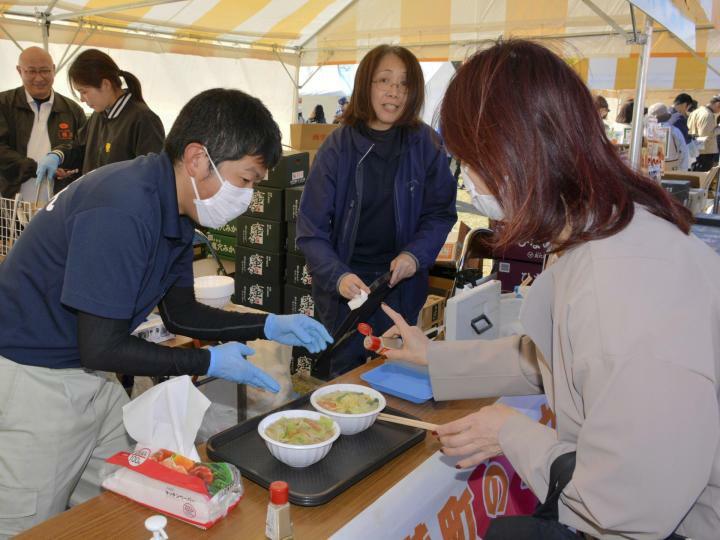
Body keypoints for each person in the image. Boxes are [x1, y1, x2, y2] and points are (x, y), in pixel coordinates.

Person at [381, 39, 720, 540]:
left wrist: (509, 433)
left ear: (514, 154)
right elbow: (553, 357)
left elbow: (625, 504)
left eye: (470, 161)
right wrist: (434, 357)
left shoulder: (621, 283)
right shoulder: (602, 229)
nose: (468, 180)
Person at [0, 88, 332, 538]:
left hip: (88, 374)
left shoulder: (175, 208)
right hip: (34, 378)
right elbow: (101, 346)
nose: (248, 197)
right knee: (30, 523)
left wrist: (268, 323)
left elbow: (180, 315)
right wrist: (206, 361)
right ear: (198, 158)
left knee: (125, 498)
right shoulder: (122, 208)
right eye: (246, 180)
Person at [296, 44, 457, 377]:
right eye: (384, 80)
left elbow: (440, 213)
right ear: (365, 85)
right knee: (339, 379)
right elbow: (311, 229)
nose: (394, 92)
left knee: (394, 378)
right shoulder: (338, 147)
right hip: (345, 291)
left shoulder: (426, 144)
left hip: (400, 288)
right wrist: (336, 276)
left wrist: (414, 256)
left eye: (404, 84)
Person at [35, 48, 165, 181]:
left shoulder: (143, 120)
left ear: (105, 84)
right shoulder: (99, 115)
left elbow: (151, 176)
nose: (81, 99)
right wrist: (58, 155)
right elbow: (79, 147)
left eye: (84, 92)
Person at [0, 47, 86, 200]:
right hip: (9, 203)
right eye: (31, 71)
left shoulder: (73, 110)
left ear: (53, 69)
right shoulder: (4, 104)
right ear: (19, 71)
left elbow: (83, 149)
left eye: (45, 71)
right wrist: (34, 168)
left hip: (58, 203)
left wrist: (70, 169)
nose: (39, 78)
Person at [648, 102, 689, 171]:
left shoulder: (647, 131)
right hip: (672, 167)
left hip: (653, 165)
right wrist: (683, 170)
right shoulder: (675, 131)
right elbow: (684, 151)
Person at [687, 95, 720, 171]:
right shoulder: (707, 114)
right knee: (702, 178)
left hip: (695, 150)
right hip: (705, 153)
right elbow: (705, 136)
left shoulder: (697, 111)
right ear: (718, 104)